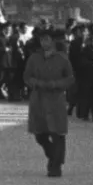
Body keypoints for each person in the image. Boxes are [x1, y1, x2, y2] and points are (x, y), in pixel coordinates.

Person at [24, 27, 73, 176]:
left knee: (57, 133)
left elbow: (70, 78)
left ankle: (55, 165)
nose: (44, 42)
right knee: (40, 135)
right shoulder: (34, 58)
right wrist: (35, 83)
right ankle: (53, 156)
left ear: (52, 41)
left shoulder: (62, 58)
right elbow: (26, 76)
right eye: (42, 39)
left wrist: (55, 84)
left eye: (47, 39)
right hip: (38, 99)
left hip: (55, 99)